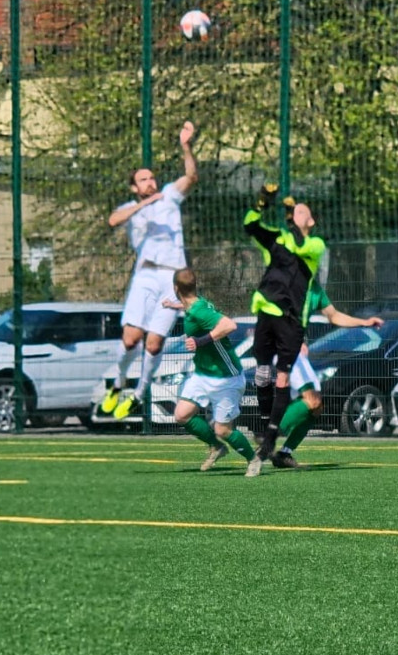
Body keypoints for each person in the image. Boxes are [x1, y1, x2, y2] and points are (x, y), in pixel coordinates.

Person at [102, 120, 198, 420]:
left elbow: (191, 177)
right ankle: (118, 384)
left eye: (152, 178)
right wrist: (145, 204)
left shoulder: (169, 195)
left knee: (154, 343)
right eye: (143, 180)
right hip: (145, 274)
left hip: (172, 277)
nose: (150, 183)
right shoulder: (132, 207)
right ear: (134, 187)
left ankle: (139, 394)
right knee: (131, 339)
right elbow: (113, 220)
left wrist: (185, 146)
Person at [243, 184, 325, 477]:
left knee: (303, 393)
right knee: (265, 374)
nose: (296, 212)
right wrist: (263, 201)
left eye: (302, 211)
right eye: (294, 209)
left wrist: (291, 220)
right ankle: (267, 432)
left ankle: (272, 440)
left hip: (290, 324)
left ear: (310, 221)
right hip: (267, 313)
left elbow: (299, 245)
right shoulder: (277, 241)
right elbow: (251, 225)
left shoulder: (314, 246)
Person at [266, 278, 384, 470]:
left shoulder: (314, 290)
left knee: (316, 407)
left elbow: (334, 316)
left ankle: (284, 453)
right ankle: (267, 439)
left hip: (291, 348)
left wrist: (364, 322)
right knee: (313, 400)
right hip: (281, 347)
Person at [160, 268, 259, 474]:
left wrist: (200, 341)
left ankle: (253, 459)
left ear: (175, 287)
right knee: (182, 415)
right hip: (203, 374)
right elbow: (193, 310)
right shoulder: (194, 304)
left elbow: (229, 325)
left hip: (225, 377)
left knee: (223, 429)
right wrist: (173, 305)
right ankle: (217, 447)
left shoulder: (199, 311)